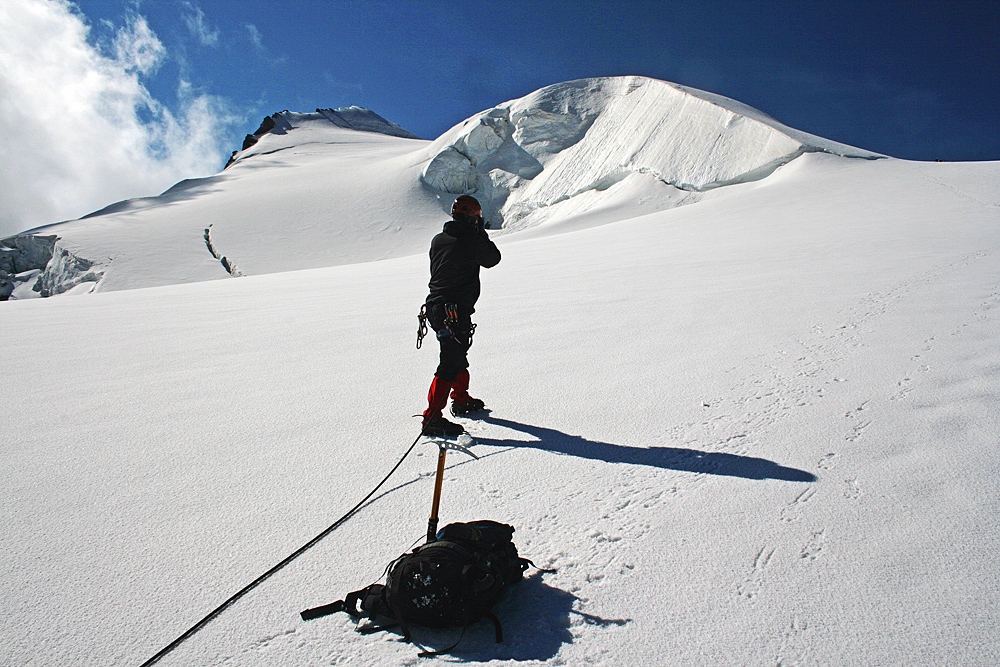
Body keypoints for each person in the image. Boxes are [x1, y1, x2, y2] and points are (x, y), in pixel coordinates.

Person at [420, 195, 501, 437]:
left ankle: (461, 399)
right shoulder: (471, 240)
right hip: (453, 311)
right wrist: (480, 233)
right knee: (451, 361)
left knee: (456, 354)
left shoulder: (439, 240)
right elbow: (492, 259)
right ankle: (432, 417)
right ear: (473, 219)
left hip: (437, 309)